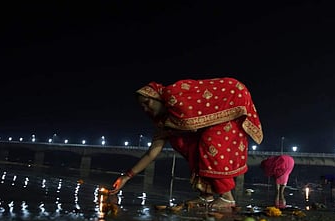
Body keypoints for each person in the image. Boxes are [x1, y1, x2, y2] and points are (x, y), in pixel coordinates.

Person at [109, 77, 263, 211]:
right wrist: (126, 177)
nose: (146, 108)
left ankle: (227, 197)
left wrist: (171, 124)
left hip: (231, 97)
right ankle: (206, 195)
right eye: (142, 107)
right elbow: (152, 152)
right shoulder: (163, 122)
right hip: (208, 120)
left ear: (156, 96)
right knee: (185, 143)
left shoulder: (172, 94)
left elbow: (190, 122)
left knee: (210, 141)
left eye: (147, 102)